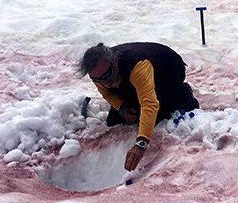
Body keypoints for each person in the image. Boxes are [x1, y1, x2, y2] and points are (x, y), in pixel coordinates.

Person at [79, 42, 199, 171]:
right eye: (98, 80)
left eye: (106, 76)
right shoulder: (98, 74)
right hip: (129, 78)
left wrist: (141, 143)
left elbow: (149, 104)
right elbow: (107, 93)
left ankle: (183, 93)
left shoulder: (136, 66)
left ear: (114, 62)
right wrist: (123, 108)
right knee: (115, 120)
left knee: (159, 116)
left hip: (168, 70)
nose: (104, 82)